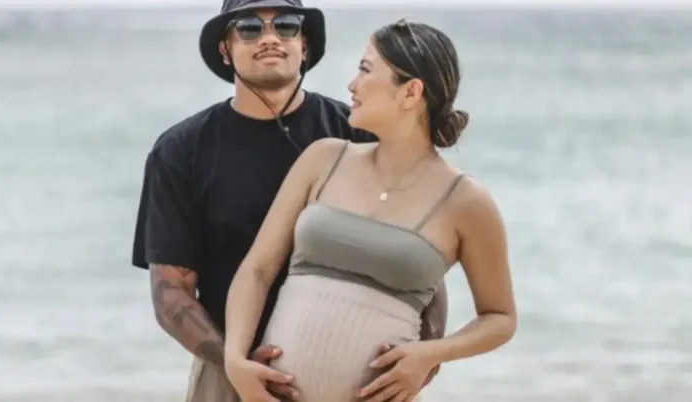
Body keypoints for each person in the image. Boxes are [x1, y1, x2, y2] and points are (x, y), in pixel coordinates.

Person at [130, 1, 449, 401]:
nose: (269, 38)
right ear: (224, 49)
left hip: (367, 385)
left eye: (285, 26)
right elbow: (170, 293)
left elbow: (422, 263)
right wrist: (236, 361)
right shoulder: (181, 151)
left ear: (305, 45)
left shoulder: (361, 136)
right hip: (234, 380)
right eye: (248, 28)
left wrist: (424, 360)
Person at [223, 18, 518, 402]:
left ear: (410, 92)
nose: (352, 85)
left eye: (365, 70)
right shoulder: (323, 159)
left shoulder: (467, 202)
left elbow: (500, 318)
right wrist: (235, 362)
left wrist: (428, 355)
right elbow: (258, 270)